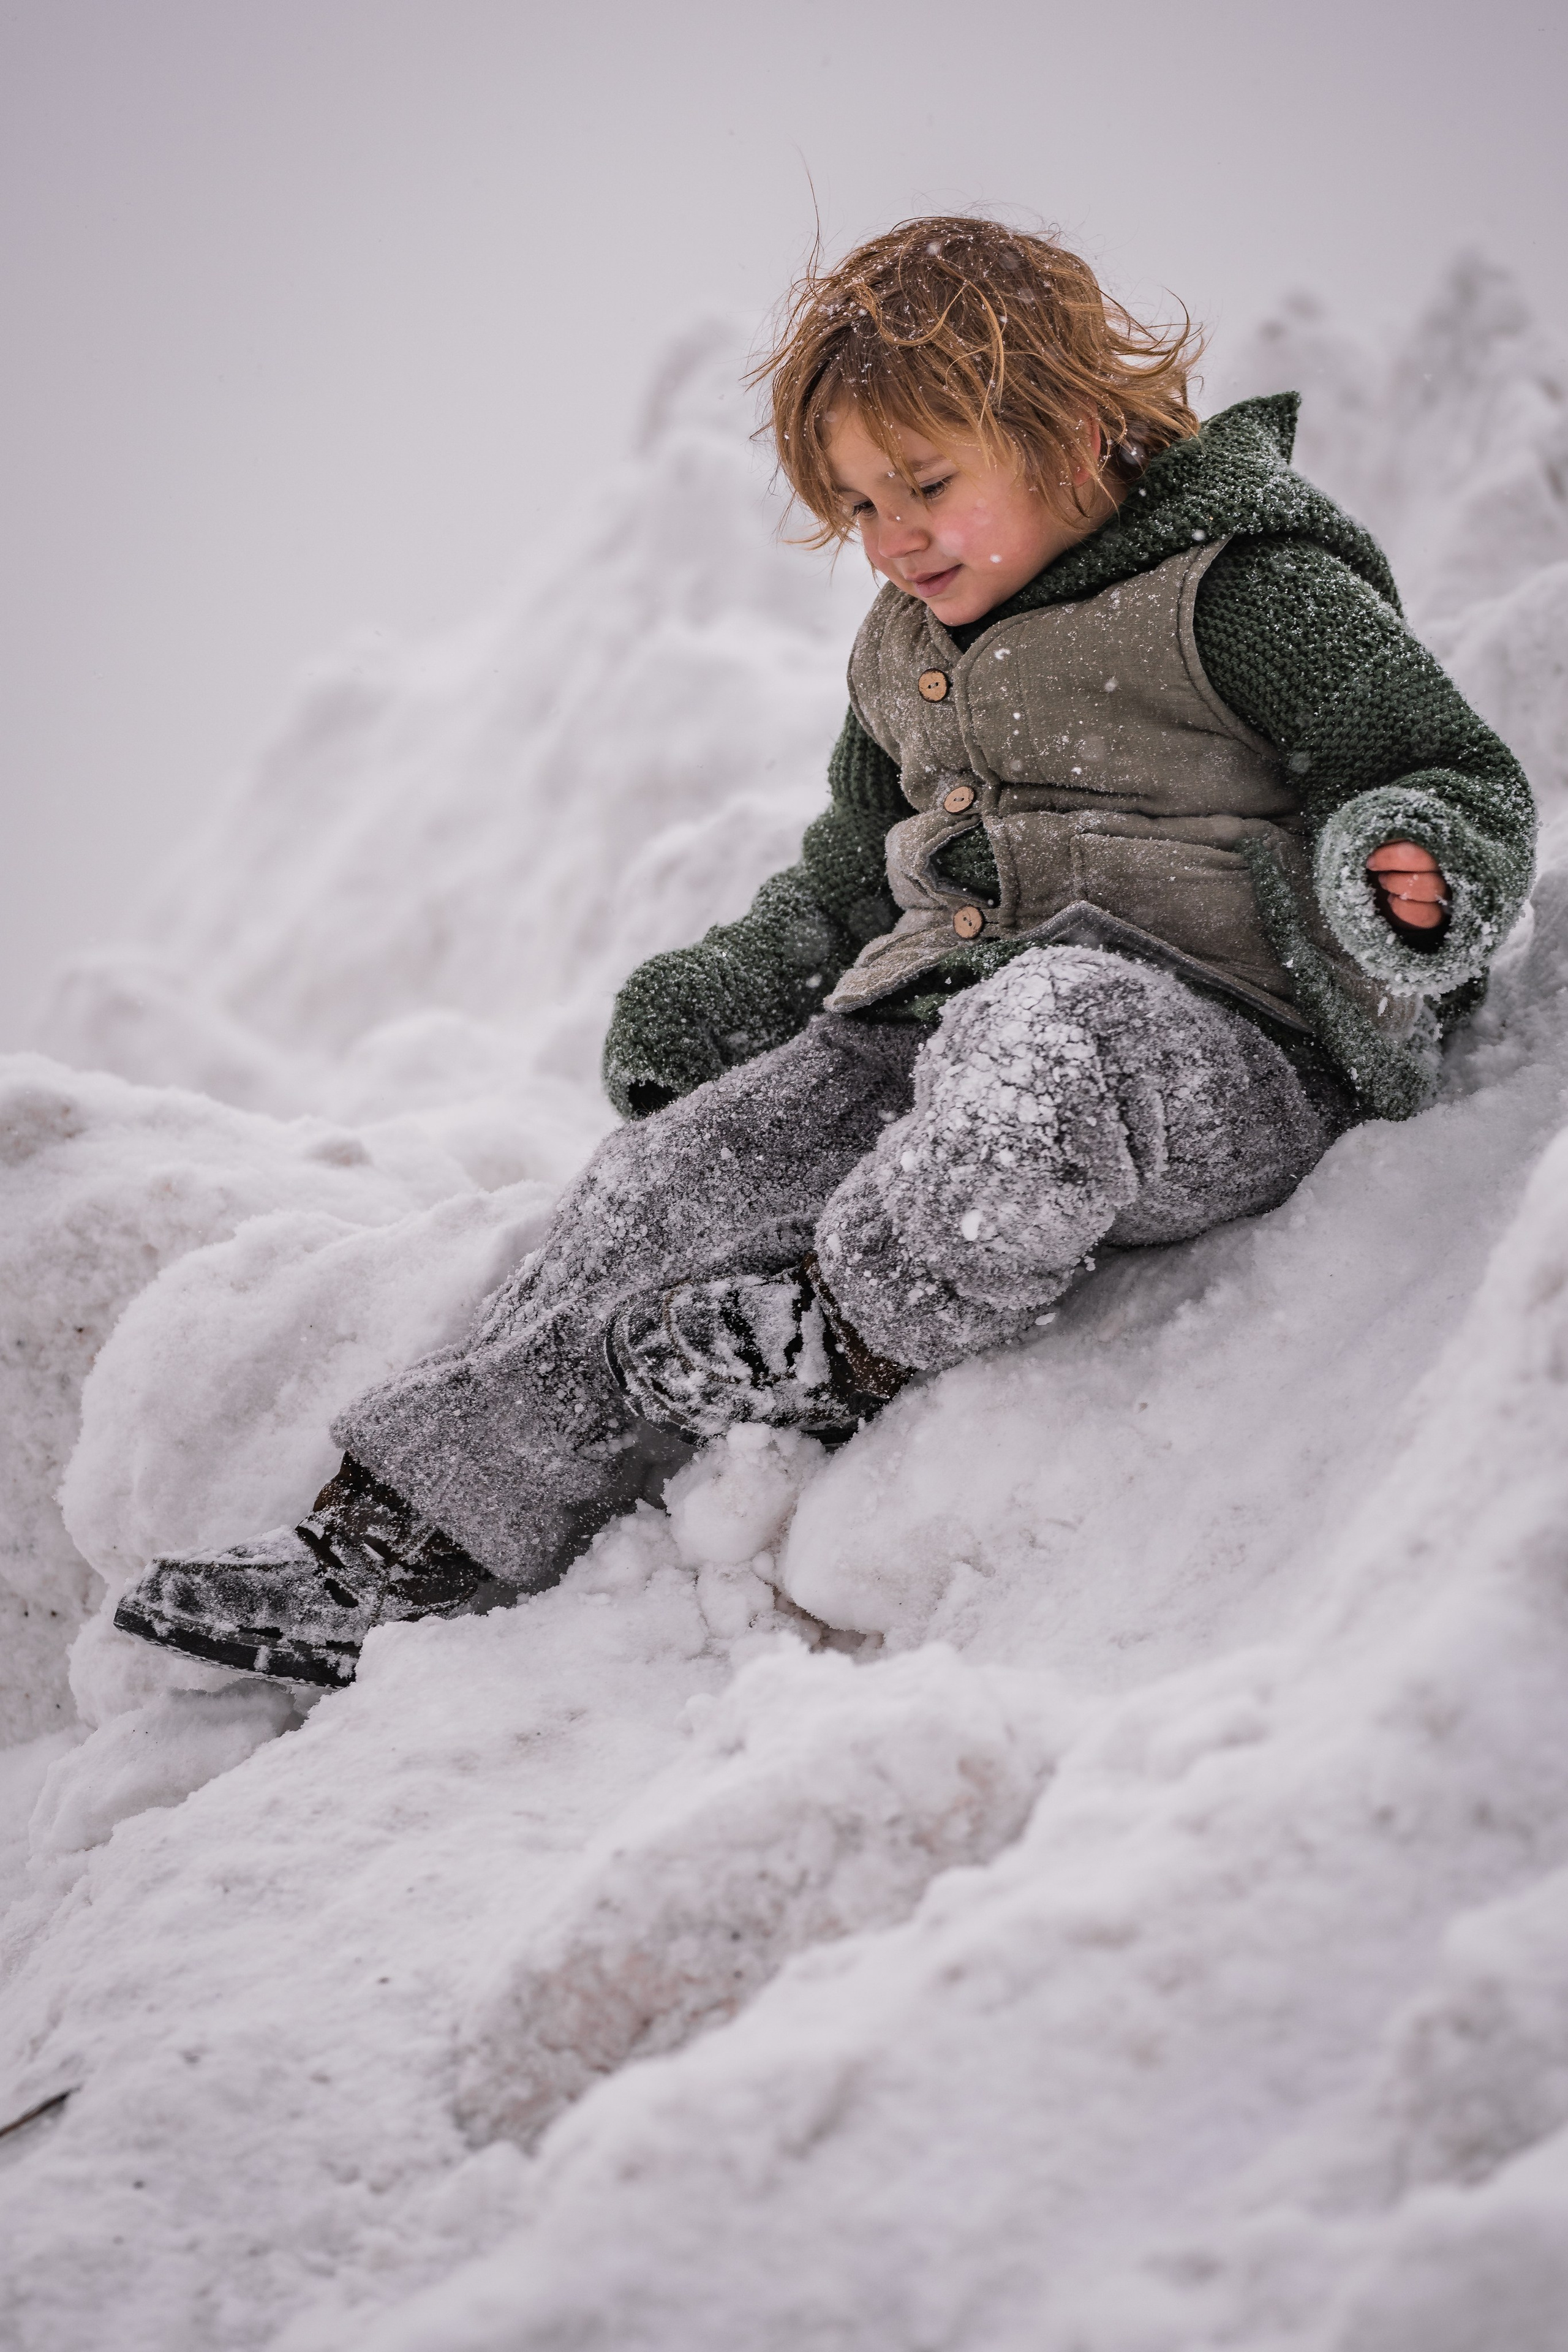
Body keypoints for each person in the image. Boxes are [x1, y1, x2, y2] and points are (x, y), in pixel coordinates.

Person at [115, 217, 1535, 1687]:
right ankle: (400, 1540)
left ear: (1074, 430)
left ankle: (846, 1337)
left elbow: (1447, 771)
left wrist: (1410, 870)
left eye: (925, 485)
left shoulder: (1239, 588)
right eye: (857, 505)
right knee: (670, 1179)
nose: (893, 536)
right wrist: (737, 988)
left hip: (1215, 1047)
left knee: (1043, 1035)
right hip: (934, 1023)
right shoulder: (902, 647)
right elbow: (856, 869)